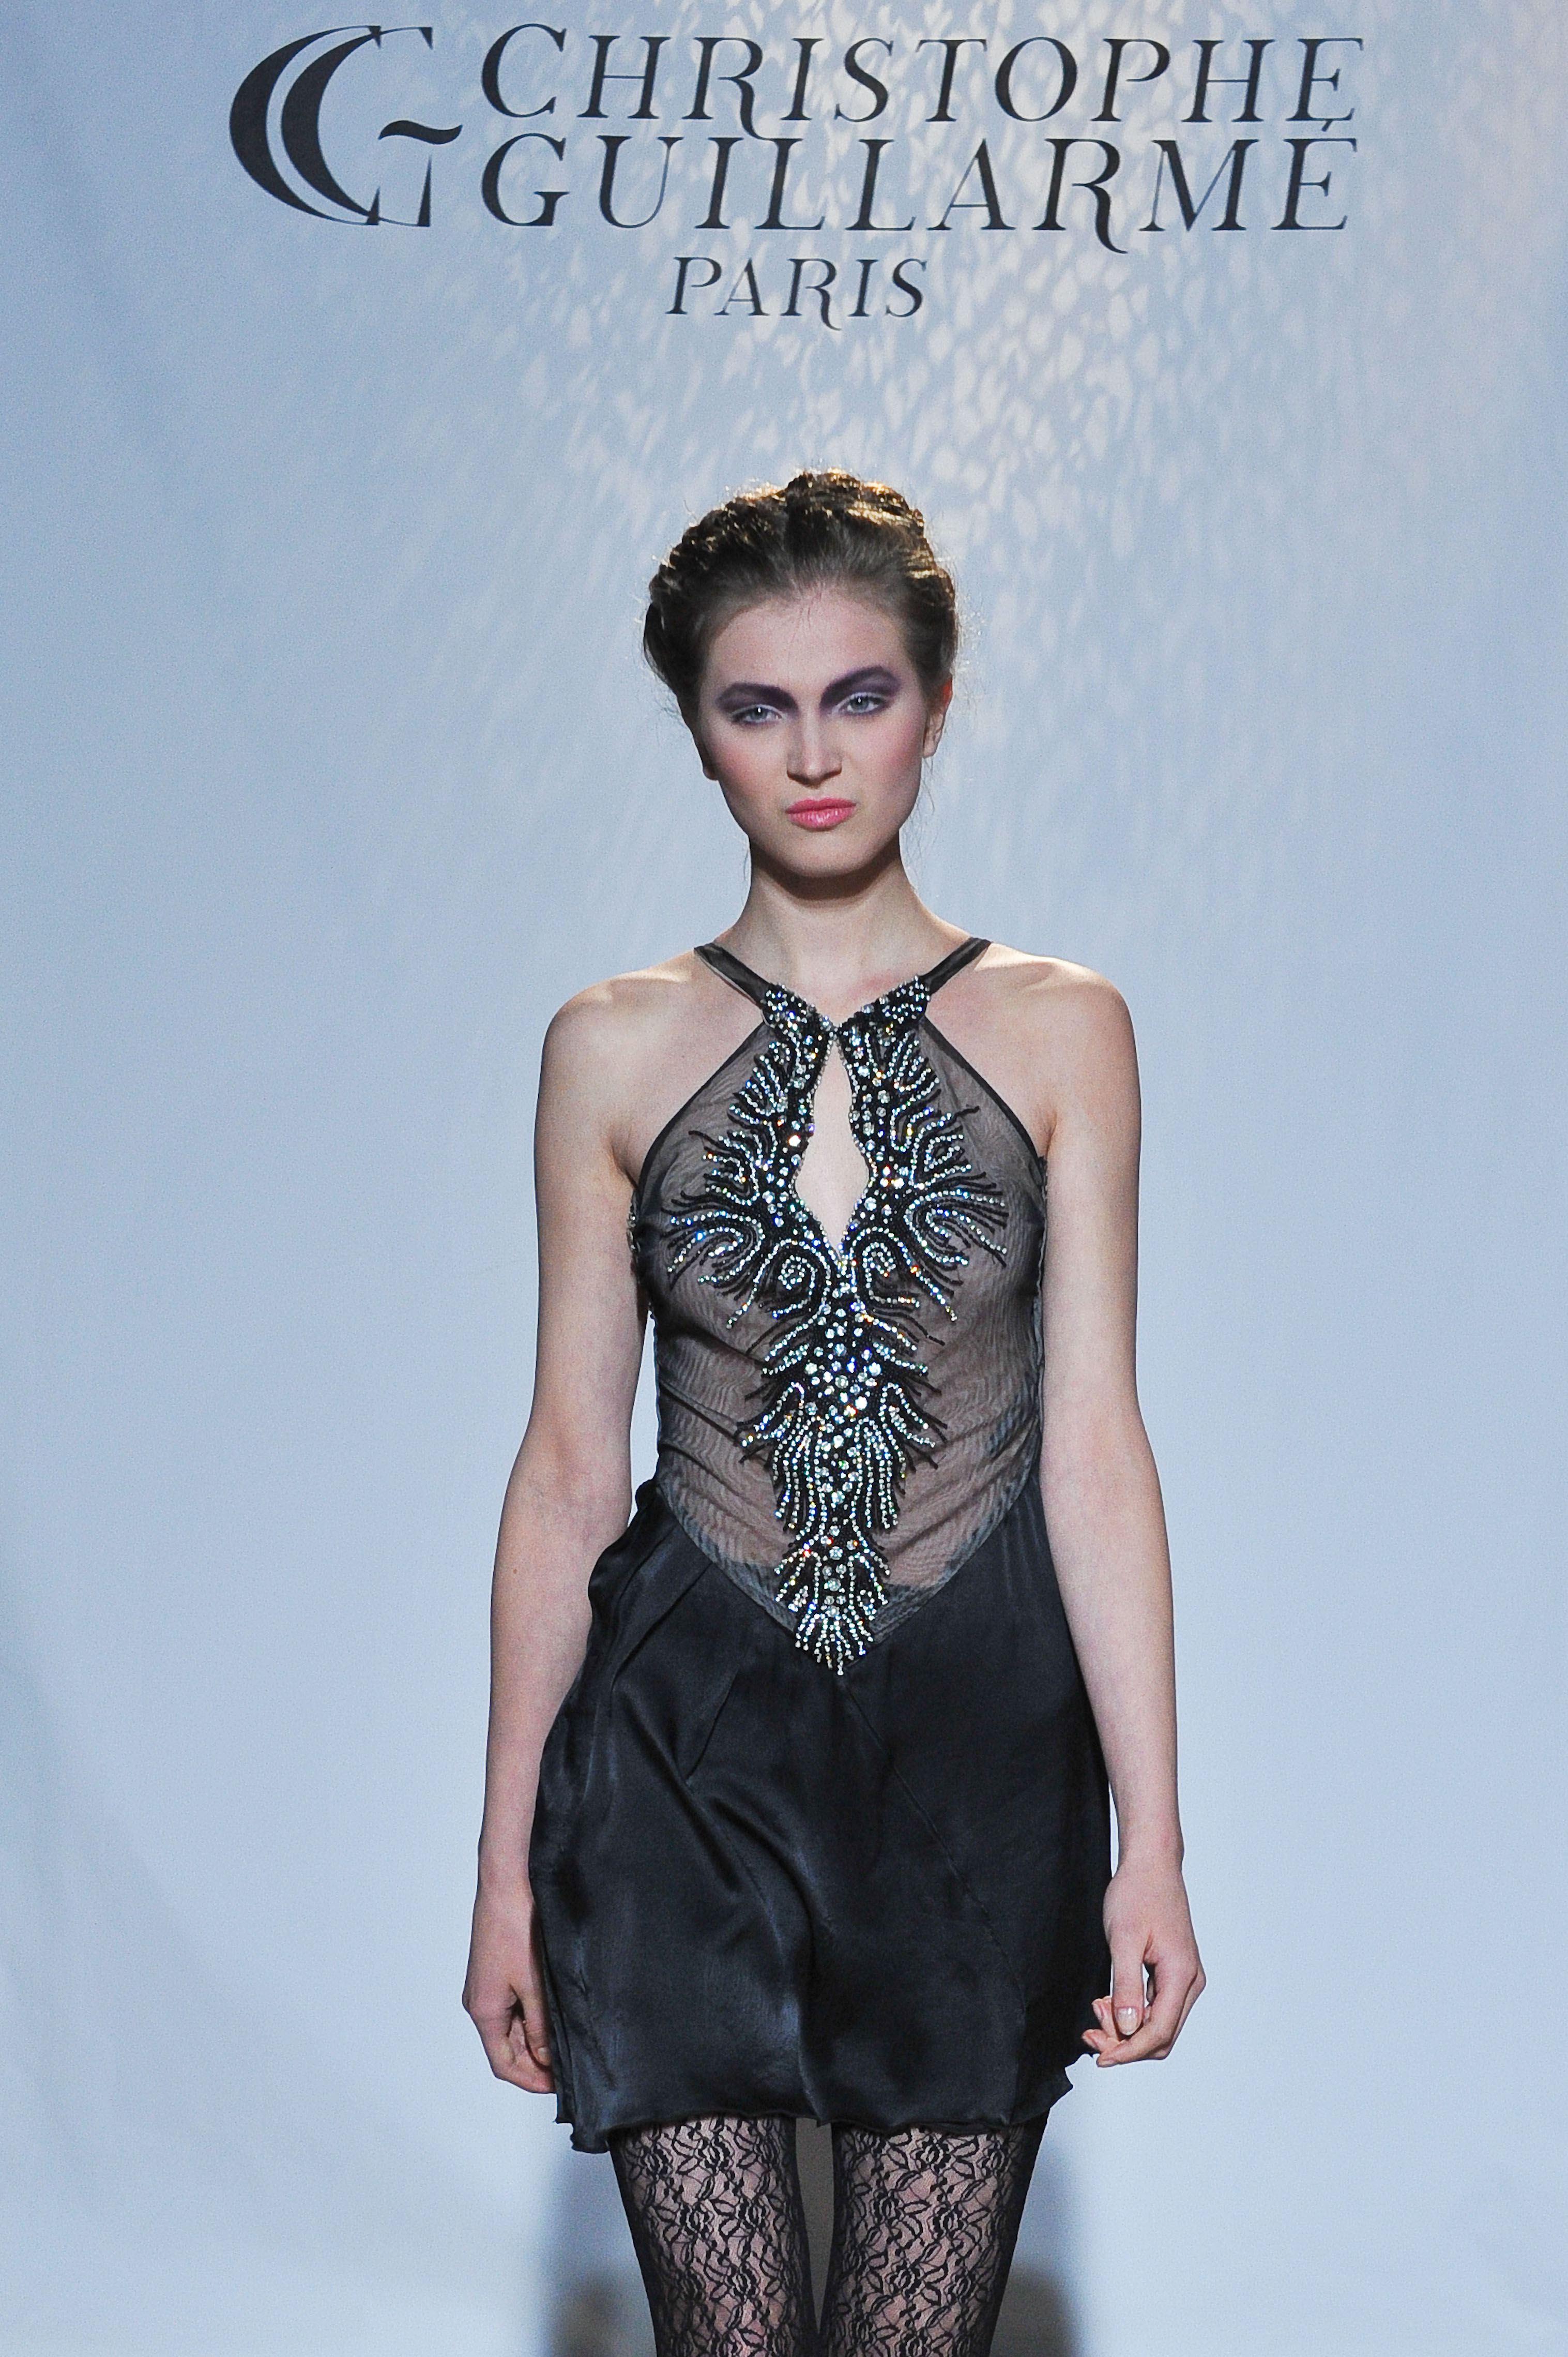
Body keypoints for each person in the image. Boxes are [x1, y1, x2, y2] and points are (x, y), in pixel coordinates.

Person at [463, 470, 1204, 2356]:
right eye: (756, 706)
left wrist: (1154, 1839)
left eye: (858, 697)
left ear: (934, 706)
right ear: (696, 729)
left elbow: (1093, 1444)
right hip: (680, 1743)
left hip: (978, 1754)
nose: (812, 756)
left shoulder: (1066, 1029)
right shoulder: (607, 1048)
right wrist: (501, 1870)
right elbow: (568, 1469)